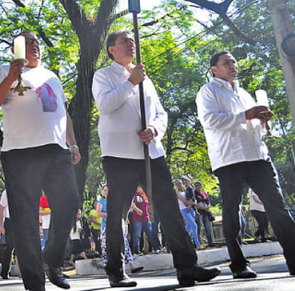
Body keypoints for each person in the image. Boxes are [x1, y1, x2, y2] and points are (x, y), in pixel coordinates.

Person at [92, 29, 221, 288]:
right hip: (120, 154)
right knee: (117, 212)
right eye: (124, 42)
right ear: (111, 49)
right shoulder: (103, 76)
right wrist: (130, 82)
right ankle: (116, 270)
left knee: (170, 210)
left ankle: (187, 267)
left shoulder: (146, 79)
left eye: (132, 41)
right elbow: (105, 105)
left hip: (152, 152)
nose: (131, 45)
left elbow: (160, 113)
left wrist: (155, 130)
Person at [196, 51, 295, 278]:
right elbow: (210, 120)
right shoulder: (209, 91)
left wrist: (262, 120)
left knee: (277, 206)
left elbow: (252, 125)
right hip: (230, 159)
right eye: (226, 62)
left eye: (233, 61)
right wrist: (246, 114)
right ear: (214, 70)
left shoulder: (244, 93)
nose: (232, 65)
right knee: (232, 210)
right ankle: (239, 265)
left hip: (258, 157)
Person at [0, 31, 81, 291]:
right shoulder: (3, 71)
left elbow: (63, 114)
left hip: (56, 150)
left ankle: (52, 258)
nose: (35, 45)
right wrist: (10, 78)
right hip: (20, 152)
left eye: (37, 42)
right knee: (25, 219)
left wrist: (71, 142)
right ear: (15, 48)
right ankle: (35, 283)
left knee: (70, 203)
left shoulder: (52, 76)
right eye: (28, 42)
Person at [131, 187, 160, 254]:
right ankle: (136, 250)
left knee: (150, 233)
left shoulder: (146, 195)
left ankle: (155, 248)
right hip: (137, 218)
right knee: (137, 234)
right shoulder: (135, 195)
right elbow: (132, 204)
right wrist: (137, 210)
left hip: (146, 218)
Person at [174, 179, 200, 248]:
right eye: (177, 184)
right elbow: (185, 202)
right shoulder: (177, 193)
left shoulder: (187, 191)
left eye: (179, 183)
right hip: (184, 210)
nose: (179, 185)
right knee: (194, 226)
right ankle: (197, 244)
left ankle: (184, 243)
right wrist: (194, 203)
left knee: (188, 228)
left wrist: (194, 202)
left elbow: (193, 198)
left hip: (191, 209)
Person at [0, 189, 14, 280]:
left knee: (22, 248)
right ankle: (5, 272)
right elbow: (1, 208)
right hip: (9, 221)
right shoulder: (7, 192)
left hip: (21, 221)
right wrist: (0, 225)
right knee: (9, 247)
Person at [194, 182, 215, 247]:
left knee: (208, 228)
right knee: (198, 228)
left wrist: (207, 207)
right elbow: (195, 204)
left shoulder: (204, 194)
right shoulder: (194, 194)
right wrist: (203, 208)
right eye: (196, 186)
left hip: (206, 212)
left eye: (198, 186)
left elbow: (208, 202)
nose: (197, 187)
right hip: (199, 212)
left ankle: (210, 242)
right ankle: (198, 243)